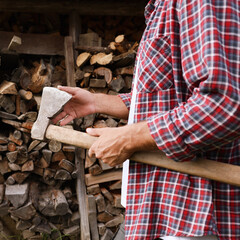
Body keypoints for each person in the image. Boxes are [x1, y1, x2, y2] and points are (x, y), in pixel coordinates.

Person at [52, 0, 240, 239]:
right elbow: (165, 96)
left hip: (190, 215)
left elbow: (222, 106)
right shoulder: (164, 7)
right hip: (153, 206)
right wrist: (96, 102)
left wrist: (128, 138)